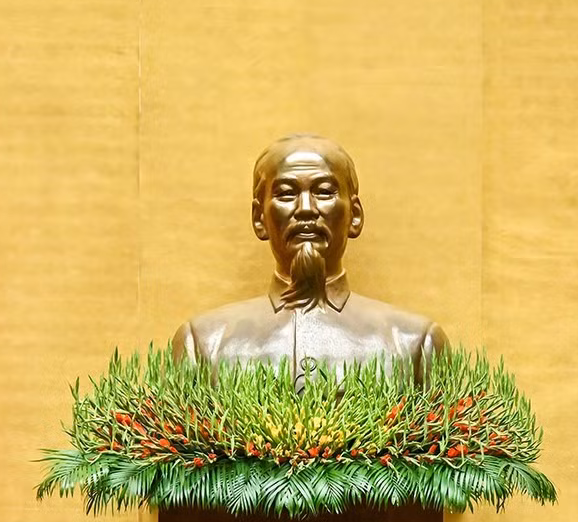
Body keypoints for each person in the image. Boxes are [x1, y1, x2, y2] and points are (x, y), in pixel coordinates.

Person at [171, 134, 449, 381]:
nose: (305, 209)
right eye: (286, 193)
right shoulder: (204, 343)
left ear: (355, 215)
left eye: (324, 192)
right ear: (259, 218)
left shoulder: (414, 344)